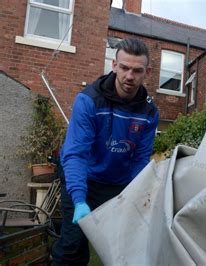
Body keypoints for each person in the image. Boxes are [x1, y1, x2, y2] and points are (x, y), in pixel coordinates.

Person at [52, 38, 159, 265]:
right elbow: (75, 154)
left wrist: (134, 195)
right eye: (124, 68)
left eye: (137, 70)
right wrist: (79, 199)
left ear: (147, 72)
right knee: (72, 247)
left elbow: (140, 158)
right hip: (84, 180)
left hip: (117, 185)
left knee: (124, 248)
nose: (129, 76)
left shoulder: (149, 111)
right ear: (113, 65)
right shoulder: (89, 100)